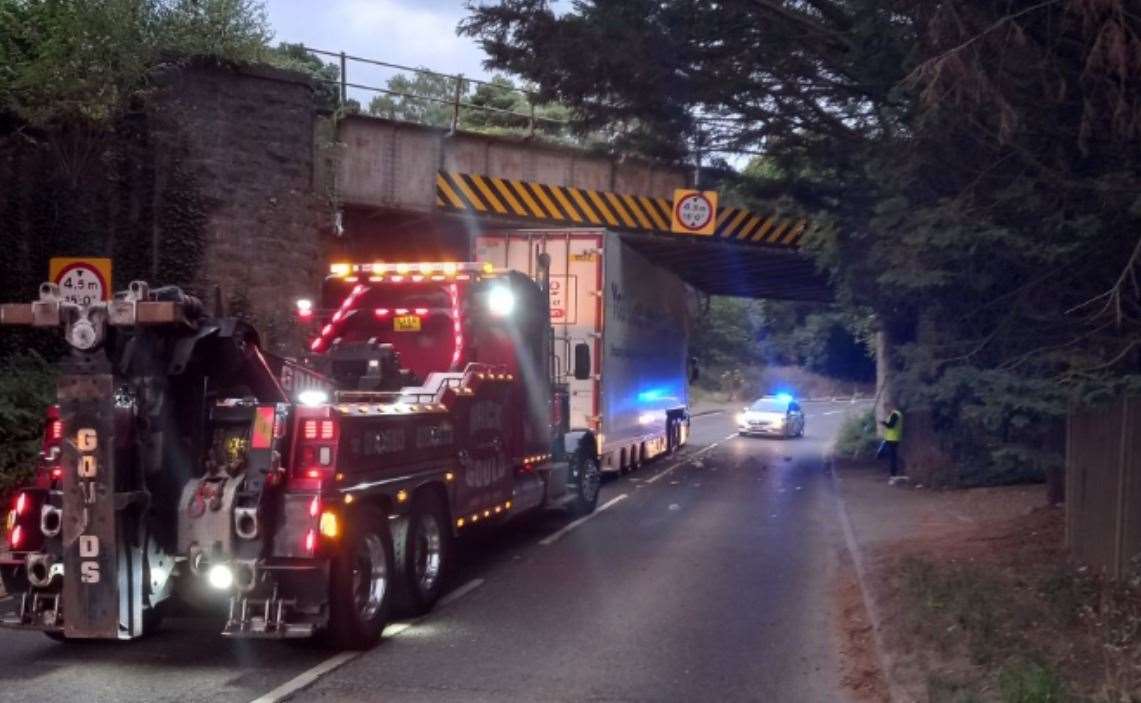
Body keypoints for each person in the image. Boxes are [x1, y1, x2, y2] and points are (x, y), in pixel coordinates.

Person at [879, 404, 904, 481]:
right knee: (892, 456)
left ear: (890, 407)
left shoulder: (894, 414)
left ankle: (893, 474)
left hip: (892, 439)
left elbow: (891, 425)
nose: (886, 411)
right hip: (893, 438)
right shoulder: (897, 414)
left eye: (886, 409)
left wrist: (883, 423)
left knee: (892, 457)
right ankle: (894, 472)